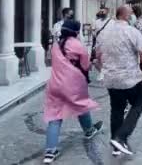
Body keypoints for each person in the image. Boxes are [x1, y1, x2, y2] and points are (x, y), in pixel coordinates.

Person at [96, 6, 142, 156]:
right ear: (126, 16)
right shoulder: (132, 32)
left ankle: (116, 145)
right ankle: (121, 137)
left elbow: (98, 55)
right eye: (131, 13)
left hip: (111, 79)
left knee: (116, 109)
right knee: (139, 103)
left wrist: (105, 70)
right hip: (130, 78)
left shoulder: (104, 33)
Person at [43, 20, 102, 164]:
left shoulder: (56, 46)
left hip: (55, 84)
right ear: (76, 32)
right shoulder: (77, 45)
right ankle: (89, 130)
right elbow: (86, 65)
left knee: (54, 116)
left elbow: (51, 60)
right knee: (81, 105)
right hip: (74, 83)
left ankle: (50, 152)